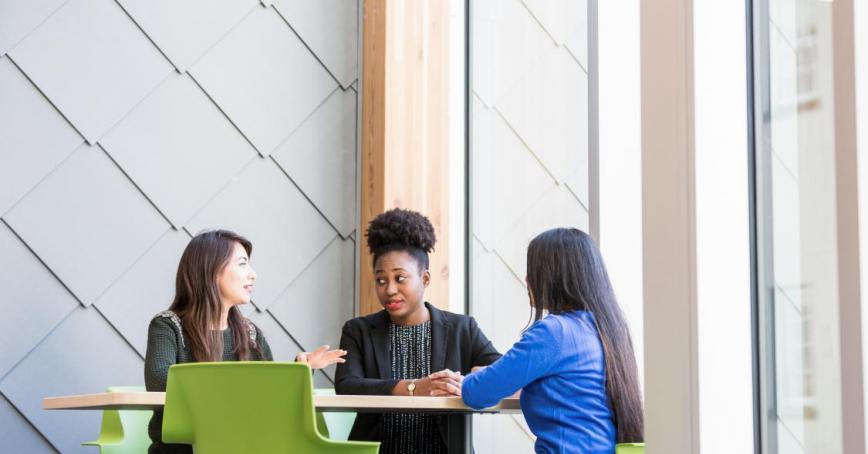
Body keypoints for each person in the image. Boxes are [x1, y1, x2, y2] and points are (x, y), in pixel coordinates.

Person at [144, 229, 346, 454]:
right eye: (242, 264)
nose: (253, 274)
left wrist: (301, 369)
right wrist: (244, 389)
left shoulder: (250, 333)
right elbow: (159, 382)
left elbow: (271, 400)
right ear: (211, 270)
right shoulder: (168, 326)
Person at [461, 228, 644, 453]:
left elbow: (478, 393)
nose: (527, 279)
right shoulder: (608, 330)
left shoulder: (555, 332)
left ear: (554, 277)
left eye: (533, 271)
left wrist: (467, 379)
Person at [335, 208, 501, 453]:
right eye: (381, 280)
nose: (389, 289)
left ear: (425, 279)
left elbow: (501, 374)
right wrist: (414, 388)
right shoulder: (358, 330)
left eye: (400, 278)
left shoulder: (462, 329)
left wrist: (466, 382)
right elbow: (347, 386)